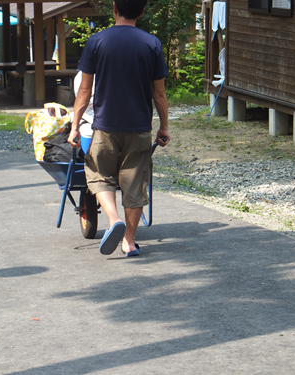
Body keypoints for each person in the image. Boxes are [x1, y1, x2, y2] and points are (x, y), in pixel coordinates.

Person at [68, 0, 170, 257]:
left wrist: (74, 126)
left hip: (105, 127)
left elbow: (84, 90)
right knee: (135, 185)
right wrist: (164, 127)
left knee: (99, 175)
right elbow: (159, 94)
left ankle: (113, 219)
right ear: (142, 11)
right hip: (139, 128)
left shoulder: (96, 42)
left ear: (114, 8)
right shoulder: (152, 44)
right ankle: (129, 242)